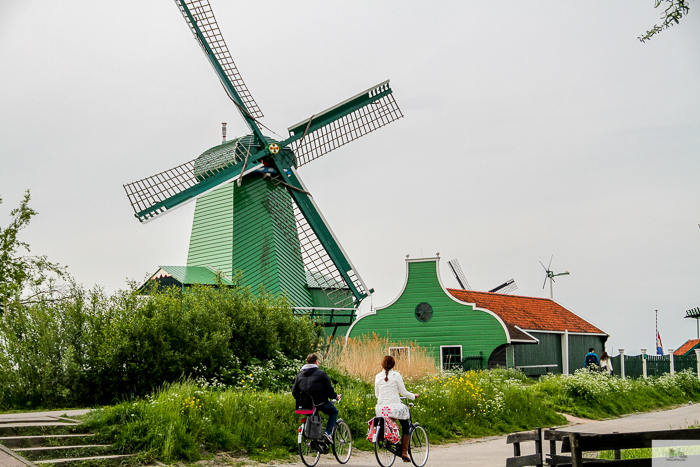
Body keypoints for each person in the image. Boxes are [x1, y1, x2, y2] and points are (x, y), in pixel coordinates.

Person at [374, 355, 419, 463]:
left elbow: (377, 395)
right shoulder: (396, 375)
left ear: (382, 364)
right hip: (394, 407)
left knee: (390, 420)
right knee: (405, 425)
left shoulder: (377, 376)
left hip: (381, 408)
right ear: (393, 365)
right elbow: (404, 393)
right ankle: (404, 452)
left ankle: (389, 439)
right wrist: (414, 396)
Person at [292, 354, 339, 445]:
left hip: (305, 405)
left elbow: (294, 392)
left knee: (314, 415)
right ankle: (327, 433)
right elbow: (329, 389)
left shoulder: (299, 375)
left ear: (307, 362)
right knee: (334, 412)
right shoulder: (321, 373)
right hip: (320, 402)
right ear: (316, 362)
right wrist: (335, 396)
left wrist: (302, 400)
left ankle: (314, 440)